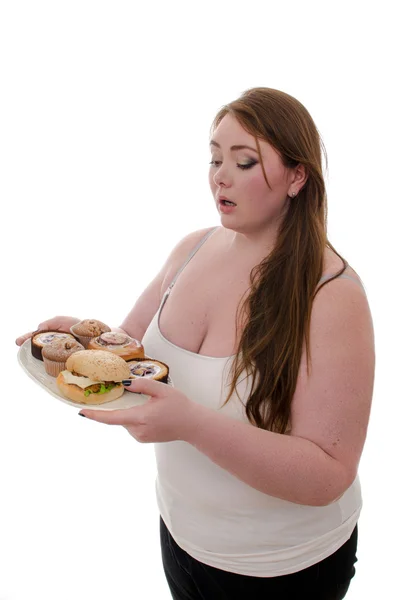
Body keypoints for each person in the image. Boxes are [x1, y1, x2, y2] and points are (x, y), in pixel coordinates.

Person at [16, 87, 375, 599]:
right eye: (214, 158)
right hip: (181, 540)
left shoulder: (332, 296)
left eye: (244, 161)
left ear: (298, 177)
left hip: (282, 571)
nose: (220, 176)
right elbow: (133, 351)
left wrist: (190, 425)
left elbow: (328, 476)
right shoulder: (193, 247)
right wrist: (76, 338)